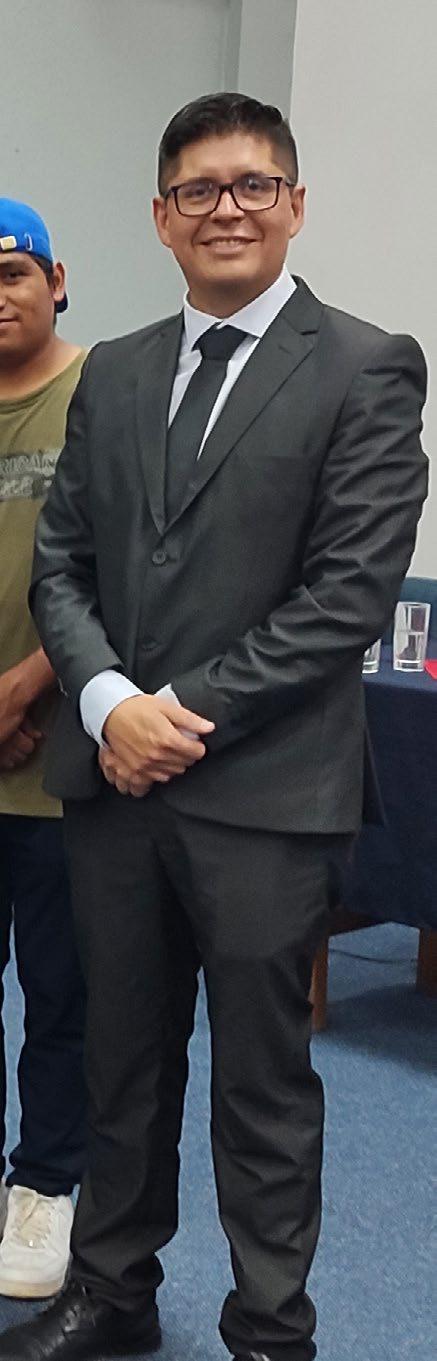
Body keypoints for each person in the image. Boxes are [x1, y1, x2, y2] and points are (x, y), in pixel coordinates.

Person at [2, 93, 427, 1360]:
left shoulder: (364, 365)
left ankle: (268, 1327)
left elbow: (346, 593)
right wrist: (105, 702)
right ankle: (112, 1290)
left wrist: (172, 712)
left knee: (260, 1081)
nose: (225, 208)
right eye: (197, 189)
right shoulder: (119, 370)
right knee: (121, 1062)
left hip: (264, 796)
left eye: (251, 185)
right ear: (160, 217)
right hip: (114, 787)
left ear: (294, 205)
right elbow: (64, 565)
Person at [0, 200, 87, 1301]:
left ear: (56, 279)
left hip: (66, 762)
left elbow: (130, 564)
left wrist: (26, 687)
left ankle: (44, 1183)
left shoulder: (103, 394)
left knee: (65, 994)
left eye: (12, 270)